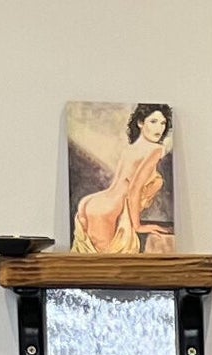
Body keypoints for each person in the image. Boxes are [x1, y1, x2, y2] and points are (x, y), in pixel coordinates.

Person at [74, 104, 176, 256]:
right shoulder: (155, 150)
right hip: (113, 209)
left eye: (163, 123)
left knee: (88, 265)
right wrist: (138, 226)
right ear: (140, 123)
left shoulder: (130, 149)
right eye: (153, 122)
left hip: (92, 202)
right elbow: (134, 190)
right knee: (107, 266)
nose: (159, 128)